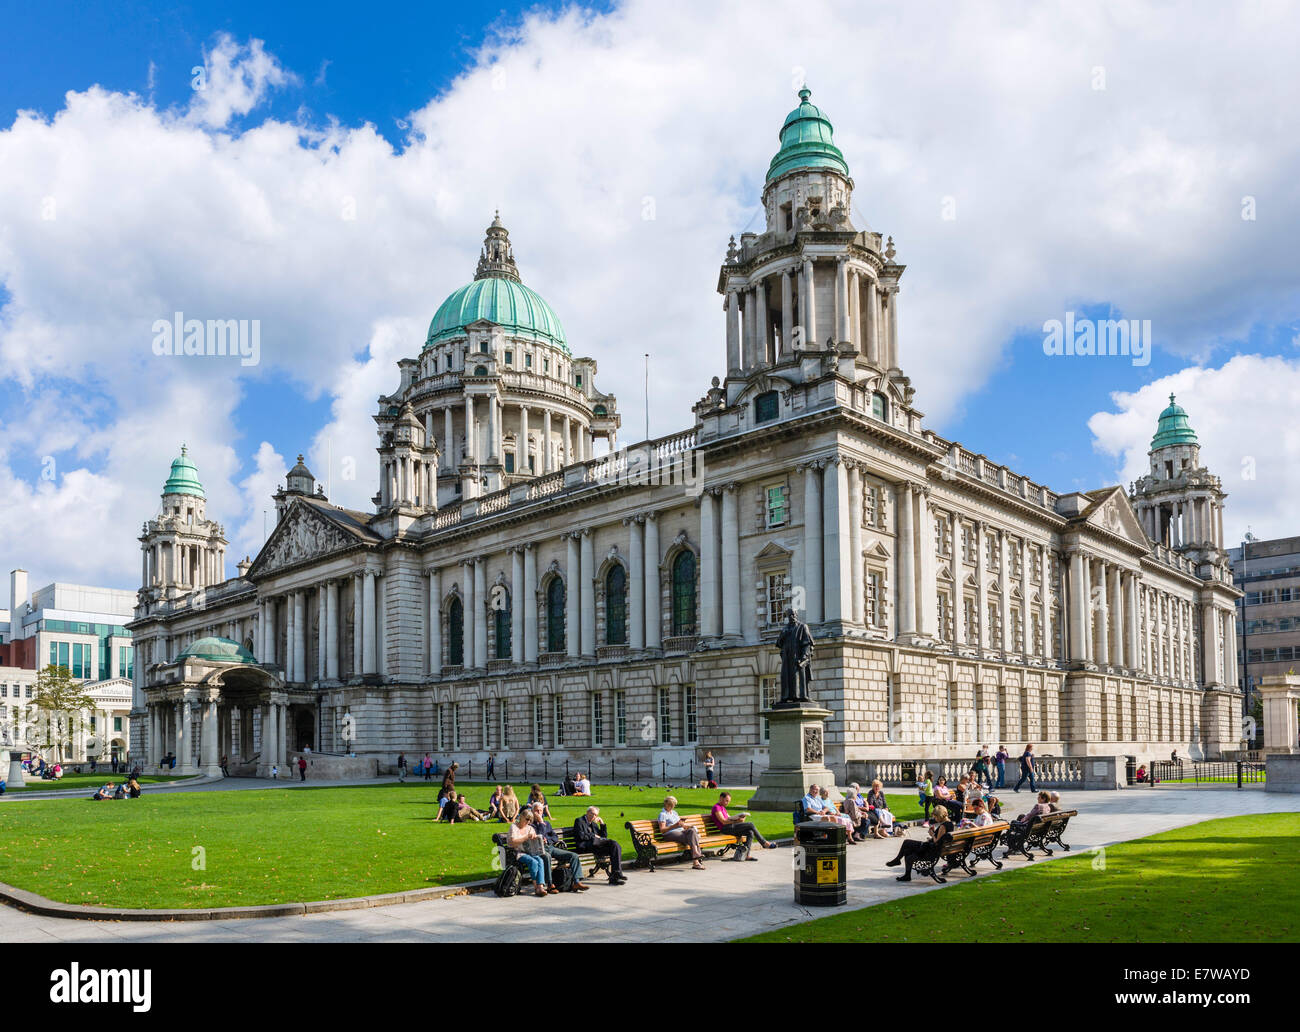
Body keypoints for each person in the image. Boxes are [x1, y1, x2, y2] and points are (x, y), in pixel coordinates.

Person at [886, 805, 954, 882]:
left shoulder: (943, 826)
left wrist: (932, 834)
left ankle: (898, 860)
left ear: (940, 816)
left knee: (907, 843)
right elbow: (941, 839)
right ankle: (906, 874)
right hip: (935, 849)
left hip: (931, 851)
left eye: (935, 817)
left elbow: (936, 842)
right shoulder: (950, 823)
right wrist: (934, 833)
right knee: (908, 850)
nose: (935, 819)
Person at [531, 802, 589, 890]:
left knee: (574, 856)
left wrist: (548, 840)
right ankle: (550, 884)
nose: (539, 812)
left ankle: (576, 882)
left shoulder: (547, 823)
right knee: (547, 857)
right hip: (539, 849)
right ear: (532, 811)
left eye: (541, 810)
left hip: (551, 847)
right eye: (537, 810)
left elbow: (555, 837)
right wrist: (541, 823)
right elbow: (539, 835)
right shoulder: (531, 825)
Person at [573, 806, 627, 884]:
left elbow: (603, 836)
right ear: (587, 812)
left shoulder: (594, 824)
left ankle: (615, 875)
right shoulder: (579, 821)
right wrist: (593, 836)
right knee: (612, 843)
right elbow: (580, 836)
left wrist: (602, 823)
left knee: (615, 846)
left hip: (595, 846)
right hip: (585, 846)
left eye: (596, 815)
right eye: (593, 814)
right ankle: (617, 874)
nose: (594, 816)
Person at [711, 792, 776, 856]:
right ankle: (764, 843)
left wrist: (738, 818)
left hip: (730, 828)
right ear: (721, 798)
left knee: (750, 832)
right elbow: (723, 822)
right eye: (726, 801)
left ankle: (746, 855)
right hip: (725, 829)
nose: (727, 803)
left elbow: (729, 818)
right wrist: (737, 821)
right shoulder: (716, 807)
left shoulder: (723, 808)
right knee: (750, 824)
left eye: (729, 801)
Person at [507, 810, 554, 897]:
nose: (528, 822)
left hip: (531, 852)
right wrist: (526, 837)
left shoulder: (530, 828)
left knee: (540, 860)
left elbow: (534, 842)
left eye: (530, 820)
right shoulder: (514, 827)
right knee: (533, 862)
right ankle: (536, 887)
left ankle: (540, 886)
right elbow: (512, 842)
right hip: (518, 853)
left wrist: (539, 841)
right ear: (521, 817)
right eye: (527, 819)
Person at [656, 796, 706, 869]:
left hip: (680, 832)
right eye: (670, 805)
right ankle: (696, 860)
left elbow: (680, 825)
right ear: (666, 804)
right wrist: (675, 826)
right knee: (693, 838)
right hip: (669, 834)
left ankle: (696, 856)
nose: (672, 807)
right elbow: (662, 830)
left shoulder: (674, 813)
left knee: (692, 831)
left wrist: (686, 826)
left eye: (673, 805)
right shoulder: (662, 815)